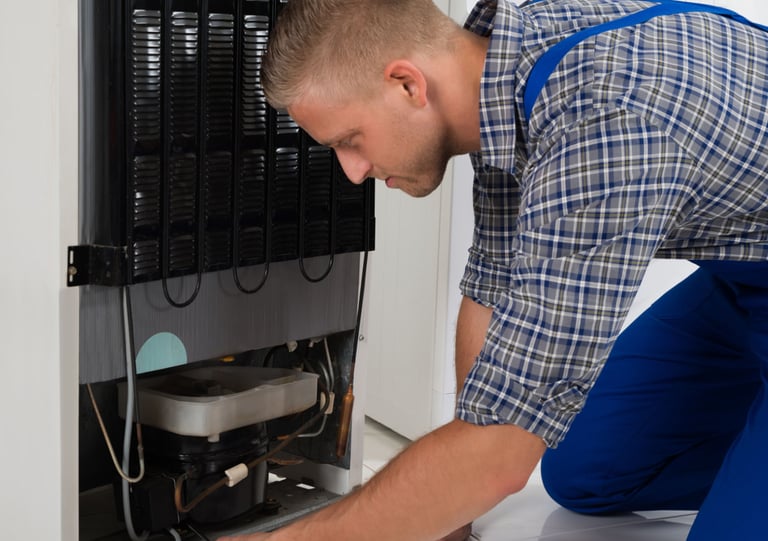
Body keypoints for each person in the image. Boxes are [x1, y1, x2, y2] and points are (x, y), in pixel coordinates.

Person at [220, 0, 768, 539]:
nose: (353, 172)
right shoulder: (498, 66)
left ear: (408, 84)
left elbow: (499, 456)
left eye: (349, 141)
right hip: (745, 280)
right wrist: (450, 512)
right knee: (582, 469)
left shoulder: (603, 122)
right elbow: (491, 288)